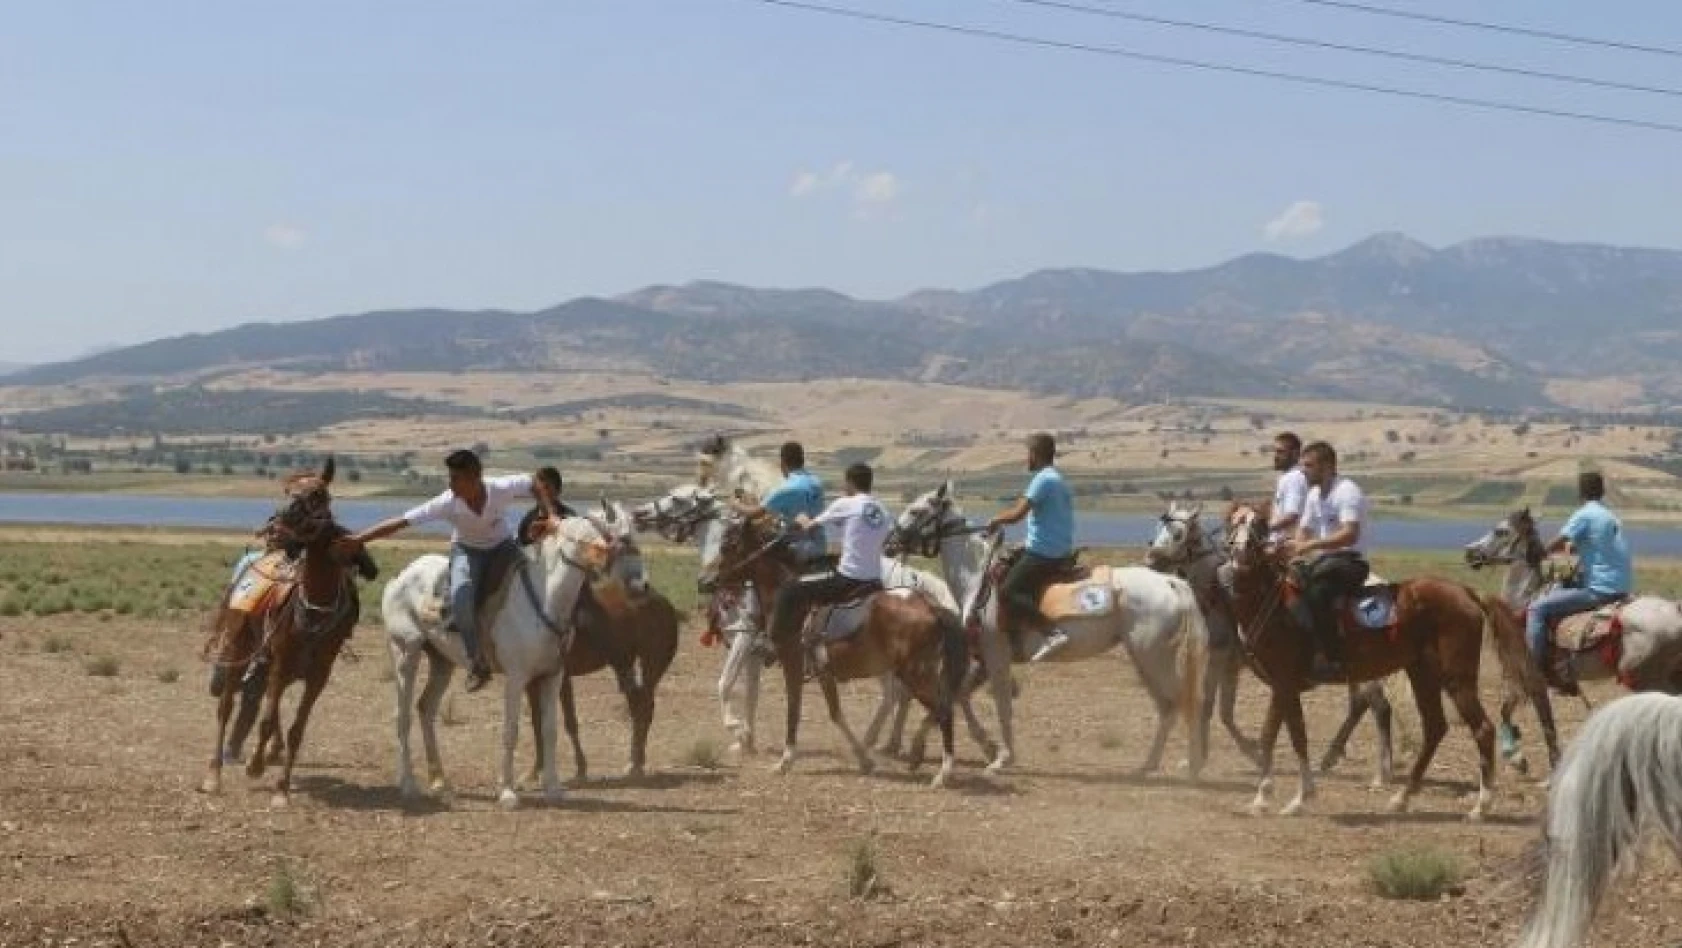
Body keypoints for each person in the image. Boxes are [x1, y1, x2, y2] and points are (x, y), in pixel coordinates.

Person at [337, 449, 559, 693]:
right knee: (462, 594)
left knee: (538, 579)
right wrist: (360, 538)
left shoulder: (500, 488)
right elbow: (401, 521)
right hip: (467, 551)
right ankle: (477, 662)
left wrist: (550, 514)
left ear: (475, 477)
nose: (450, 483)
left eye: (456, 478)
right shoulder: (447, 502)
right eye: (450, 477)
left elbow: (536, 483)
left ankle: (552, 637)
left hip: (503, 547)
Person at [766, 462, 891, 670]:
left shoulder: (846, 503)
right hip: (875, 581)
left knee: (790, 589)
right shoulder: (882, 510)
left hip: (848, 580)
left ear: (850, 482)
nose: (844, 486)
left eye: (845, 482)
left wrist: (800, 517)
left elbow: (808, 526)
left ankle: (773, 646)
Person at [1526, 471, 1632, 685]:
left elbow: (1560, 540)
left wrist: (1539, 554)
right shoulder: (1609, 515)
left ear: (1581, 492)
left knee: (1537, 609)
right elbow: (1583, 544)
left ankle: (1535, 671)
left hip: (1600, 589)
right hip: (1622, 585)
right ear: (1601, 491)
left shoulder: (1584, 514)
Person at [1282, 441, 1369, 683]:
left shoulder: (1347, 491)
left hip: (1350, 562)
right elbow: (1304, 530)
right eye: (1302, 466)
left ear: (1328, 467)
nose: (1303, 471)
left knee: (1317, 593)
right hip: (1323, 561)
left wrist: (1310, 546)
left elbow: (1350, 534)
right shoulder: (1313, 494)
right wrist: (1292, 550)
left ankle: (1332, 658)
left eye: (1309, 466)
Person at [985, 432, 1076, 662]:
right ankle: (1014, 640)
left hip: (1045, 552)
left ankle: (1051, 632)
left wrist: (995, 520)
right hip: (1055, 547)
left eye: (1028, 454)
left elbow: (1017, 514)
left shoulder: (1043, 479)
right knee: (1003, 567)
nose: (1026, 459)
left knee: (1007, 592)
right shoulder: (1058, 479)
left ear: (1035, 455)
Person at [733, 441, 828, 566]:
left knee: (751, 557)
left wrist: (734, 503)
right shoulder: (816, 481)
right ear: (802, 460)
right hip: (820, 545)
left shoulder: (787, 488)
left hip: (798, 548)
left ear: (783, 462)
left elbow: (753, 514)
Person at [1269, 431, 1309, 544]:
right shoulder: (1288, 477)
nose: (1275, 456)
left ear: (1295, 454)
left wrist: (1265, 530)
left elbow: (1292, 516)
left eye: (1280, 452)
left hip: (1286, 545)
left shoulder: (1294, 478)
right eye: (1275, 451)